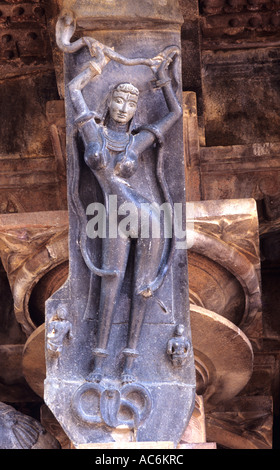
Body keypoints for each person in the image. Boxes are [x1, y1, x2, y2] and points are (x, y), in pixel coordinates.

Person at [68, 46, 182, 383]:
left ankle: (131, 362)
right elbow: (74, 90)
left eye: (131, 104)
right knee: (110, 285)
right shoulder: (94, 133)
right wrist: (96, 67)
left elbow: (174, 114)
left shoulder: (136, 143)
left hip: (147, 218)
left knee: (142, 289)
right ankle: (99, 361)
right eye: (118, 100)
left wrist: (163, 79)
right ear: (108, 102)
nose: (124, 108)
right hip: (112, 218)